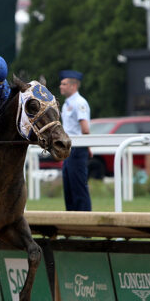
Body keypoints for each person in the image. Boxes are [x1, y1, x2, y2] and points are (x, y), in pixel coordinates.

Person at [59, 70, 92, 211]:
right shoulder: (67, 103)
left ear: (73, 86)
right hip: (69, 148)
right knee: (69, 187)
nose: (61, 86)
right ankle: (70, 224)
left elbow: (85, 128)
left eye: (64, 84)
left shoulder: (79, 102)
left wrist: (87, 146)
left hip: (77, 148)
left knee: (78, 187)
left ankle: (85, 225)